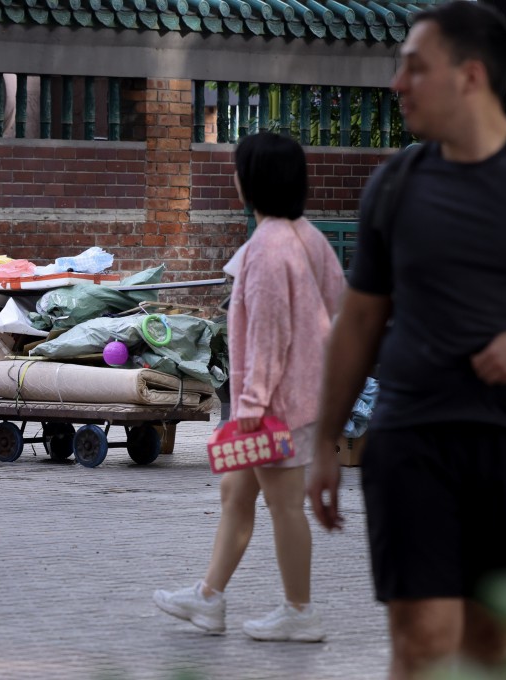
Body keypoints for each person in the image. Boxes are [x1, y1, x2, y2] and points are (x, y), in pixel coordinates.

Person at [306, 3, 506, 678]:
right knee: (421, 642)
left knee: (487, 651)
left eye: (415, 66)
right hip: (411, 437)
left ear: (469, 77)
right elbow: (359, 319)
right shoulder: (397, 185)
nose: (397, 83)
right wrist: (324, 440)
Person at [153, 132, 345, 641]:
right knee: (236, 492)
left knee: (283, 506)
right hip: (300, 398)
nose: (235, 177)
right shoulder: (309, 237)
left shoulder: (266, 250)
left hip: (273, 406)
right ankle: (209, 597)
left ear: (252, 182)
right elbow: (336, 308)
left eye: (239, 169)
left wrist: (253, 406)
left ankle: (299, 612)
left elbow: (267, 338)